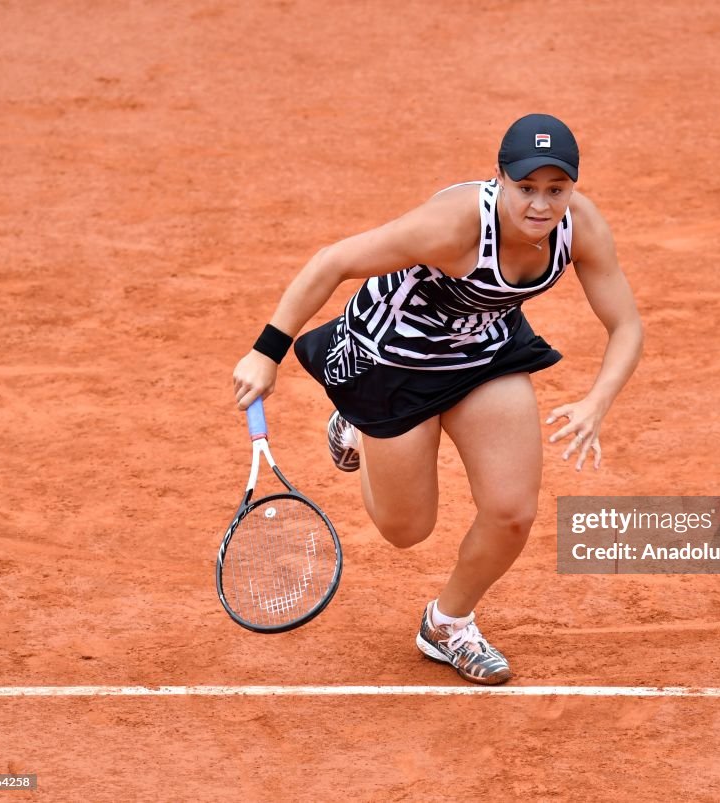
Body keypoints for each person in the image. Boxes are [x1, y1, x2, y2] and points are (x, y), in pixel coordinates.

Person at [232, 113, 644, 685]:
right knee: (407, 530)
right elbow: (333, 260)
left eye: (557, 189)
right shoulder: (451, 227)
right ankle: (354, 424)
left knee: (512, 513)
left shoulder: (581, 226)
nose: (541, 206)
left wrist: (597, 401)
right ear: (500, 180)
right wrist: (265, 353)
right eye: (526, 188)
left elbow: (625, 324)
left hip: (484, 354)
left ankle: (447, 624)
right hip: (391, 361)